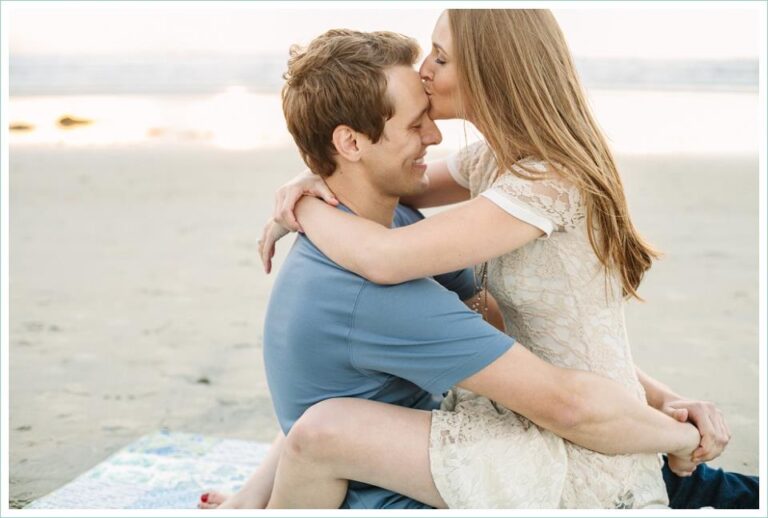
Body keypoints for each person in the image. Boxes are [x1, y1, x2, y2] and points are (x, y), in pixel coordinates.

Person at [199, 26, 732, 511]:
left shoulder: (531, 182)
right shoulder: (485, 168)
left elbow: (385, 237)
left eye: (441, 58)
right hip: (569, 412)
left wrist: (309, 201)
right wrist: (314, 180)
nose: (428, 75)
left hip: (593, 417)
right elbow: (373, 188)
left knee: (712, 489)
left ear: (491, 75)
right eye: (416, 122)